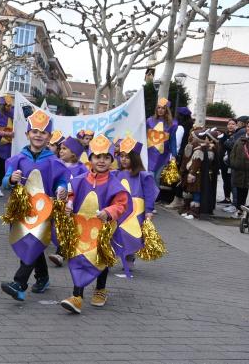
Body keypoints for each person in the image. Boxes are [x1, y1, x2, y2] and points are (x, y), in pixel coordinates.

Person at [0, 109, 68, 301]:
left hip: (44, 210)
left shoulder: (54, 161)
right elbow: (5, 182)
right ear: (27, 134)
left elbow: (61, 181)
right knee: (29, 242)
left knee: (33, 242)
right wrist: (11, 179)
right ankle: (43, 277)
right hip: (21, 209)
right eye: (35, 131)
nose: (38, 135)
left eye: (43, 132)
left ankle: (19, 284)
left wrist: (61, 190)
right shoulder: (18, 159)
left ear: (49, 137)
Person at [60, 135, 133, 314]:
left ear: (111, 160)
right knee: (78, 258)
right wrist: (67, 205)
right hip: (80, 230)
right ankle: (77, 296)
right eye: (97, 157)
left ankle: (100, 289)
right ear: (90, 159)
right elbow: (70, 197)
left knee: (100, 259)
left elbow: (121, 204)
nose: (101, 161)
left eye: (106, 157)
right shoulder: (78, 180)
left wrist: (108, 212)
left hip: (103, 230)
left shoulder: (114, 184)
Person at [114, 136, 159, 270]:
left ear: (134, 158)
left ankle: (129, 257)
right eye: (121, 156)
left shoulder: (143, 176)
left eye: (127, 157)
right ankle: (110, 255)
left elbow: (149, 194)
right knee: (116, 232)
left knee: (131, 233)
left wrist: (149, 211)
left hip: (136, 211)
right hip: (120, 209)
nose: (123, 159)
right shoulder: (116, 174)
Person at [46, 136, 88, 267]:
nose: (61, 151)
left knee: (66, 227)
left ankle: (60, 254)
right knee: (54, 227)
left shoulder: (82, 169)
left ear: (74, 153)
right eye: (60, 148)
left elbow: (83, 187)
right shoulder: (56, 164)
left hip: (71, 205)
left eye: (64, 148)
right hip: (55, 202)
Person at [146, 98, 177, 193]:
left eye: (163, 108)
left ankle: (153, 201)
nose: (160, 110)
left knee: (156, 178)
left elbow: (172, 140)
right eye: (158, 108)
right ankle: (148, 200)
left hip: (163, 156)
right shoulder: (149, 121)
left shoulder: (172, 124)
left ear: (166, 110)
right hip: (149, 154)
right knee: (149, 176)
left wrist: (174, 155)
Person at [166, 107, 194, 209]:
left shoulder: (180, 127)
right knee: (181, 177)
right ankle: (179, 199)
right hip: (187, 155)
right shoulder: (190, 126)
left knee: (176, 178)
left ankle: (176, 200)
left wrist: (172, 156)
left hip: (179, 156)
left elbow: (176, 143)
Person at [229, 122, 249, 219]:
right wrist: (234, 164)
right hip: (239, 171)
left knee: (245, 190)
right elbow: (233, 153)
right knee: (240, 190)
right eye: (248, 127)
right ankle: (239, 210)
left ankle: (244, 210)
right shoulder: (240, 140)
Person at [218, 118, 237, 205]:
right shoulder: (224, 135)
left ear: (236, 126)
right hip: (223, 162)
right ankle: (227, 198)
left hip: (232, 163)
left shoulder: (237, 136)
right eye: (229, 124)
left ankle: (236, 201)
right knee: (225, 180)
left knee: (232, 182)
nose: (230, 125)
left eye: (233, 124)